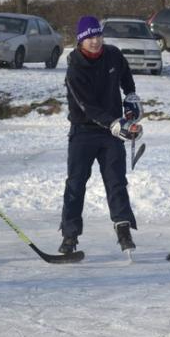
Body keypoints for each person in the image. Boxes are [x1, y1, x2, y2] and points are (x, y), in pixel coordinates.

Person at [59, 15, 143, 256]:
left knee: (116, 182)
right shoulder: (75, 67)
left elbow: (126, 77)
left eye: (98, 36)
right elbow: (87, 106)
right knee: (75, 184)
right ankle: (70, 236)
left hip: (111, 133)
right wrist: (115, 122)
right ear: (80, 41)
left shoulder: (113, 55)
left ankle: (124, 230)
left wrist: (130, 99)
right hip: (83, 132)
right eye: (90, 38)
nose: (95, 41)